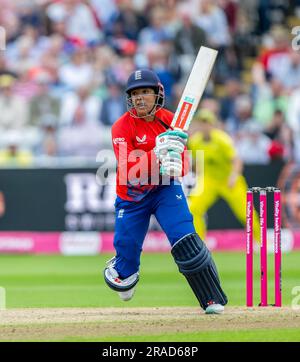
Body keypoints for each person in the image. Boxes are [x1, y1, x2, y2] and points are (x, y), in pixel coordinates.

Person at [103, 69, 227, 314]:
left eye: (145, 92)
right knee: (125, 263)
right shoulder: (120, 127)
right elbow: (128, 171)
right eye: (134, 93)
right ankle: (125, 271)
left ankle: (211, 298)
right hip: (132, 197)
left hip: (164, 190)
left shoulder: (172, 121)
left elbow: (183, 165)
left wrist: (175, 163)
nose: (139, 98)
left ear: (157, 94)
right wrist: (156, 154)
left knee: (186, 240)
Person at [188, 109, 260, 243]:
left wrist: (233, 177)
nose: (204, 127)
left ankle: (260, 241)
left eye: (207, 123)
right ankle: (200, 244)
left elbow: (237, 161)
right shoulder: (194, 141)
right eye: (202, 123)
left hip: (229, 180)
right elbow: (197, 162)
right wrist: (198, 175)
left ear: (212, 124)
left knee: (246, 212)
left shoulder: (222, 140)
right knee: (194, 208)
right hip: (209, 180)